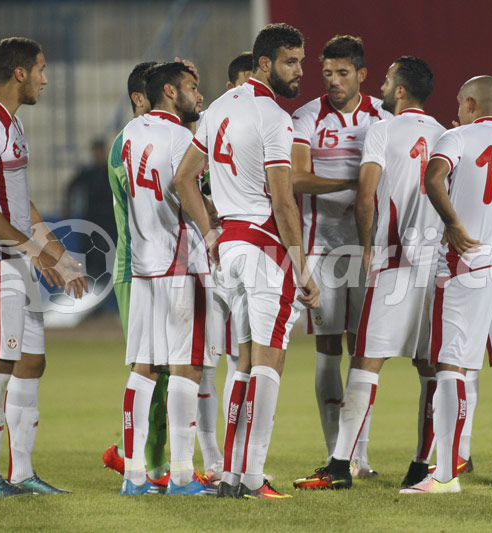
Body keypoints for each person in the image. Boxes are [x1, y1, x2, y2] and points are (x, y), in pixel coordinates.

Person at [173, 23, 319, 500]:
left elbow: (183, 180)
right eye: (289, 62)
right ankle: (253, 478)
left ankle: (233, 476)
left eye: (300, 61)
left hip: (230, 248)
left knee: (244, 363)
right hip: (262, 248)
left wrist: (211, 232)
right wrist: (302, 268)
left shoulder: (217, 108)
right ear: (264, 64)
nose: (299, 71)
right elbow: (283, 202)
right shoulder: (275, 117)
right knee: (269, 361)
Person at [293, 56, 443, 490]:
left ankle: (341, 464)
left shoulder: (382, 125)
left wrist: (367, 251)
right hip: (431, 266)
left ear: (398, 90)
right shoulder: (444, 134)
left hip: (388, 259)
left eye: (385, 79)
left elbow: (366, 197)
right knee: (430, 366)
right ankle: (423, 468)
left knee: (364, 360)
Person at [0, 37, 87, 498]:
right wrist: (36, 253)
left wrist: (55, 249)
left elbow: (18, 199)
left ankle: (22, 473)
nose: (45, 79)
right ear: (20, 73)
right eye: (40, 70)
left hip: (17, 260)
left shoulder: (12, 125)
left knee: (32, 362)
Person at [401, 76, 492, 493]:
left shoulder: (457, 135)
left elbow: (433, 177)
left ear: (471, 103)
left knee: (452, 368)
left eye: (460, 103)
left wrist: (453, 224)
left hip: (470, 263)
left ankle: (443, 475)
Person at [290, 34, 391, 478]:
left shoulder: (383, 119)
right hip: (322, 248)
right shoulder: (306, 116)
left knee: (364, 350)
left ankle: (359, 454)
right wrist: (354, 187)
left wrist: (370, 196)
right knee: (329, 348)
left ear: (362, 75)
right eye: (327, 73)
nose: (333, 81)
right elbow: (296, 178)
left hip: (367, 249)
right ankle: (336, 453)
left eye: (342, 73)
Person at [118, 61, 216, 496]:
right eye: (193, 87)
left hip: (142, 266)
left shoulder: (130, 134)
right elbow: (185, 185)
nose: (199, 95)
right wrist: (212, 230)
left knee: (143, 369)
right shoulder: (183, 137)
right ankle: (180, 475)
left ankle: (134, 475)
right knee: (186, 367)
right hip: (181, 263)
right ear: (172, 92)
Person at [102, 60, 175, 487]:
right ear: (140, 99)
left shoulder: (147, 141)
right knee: (150, 368)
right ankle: (142, 464)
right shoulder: (125, 145)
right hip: (136, 269)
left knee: (165, 370)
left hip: (158, 268)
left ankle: (150, 462)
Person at [198, 52, 255, 484]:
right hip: (204, 256)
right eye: (243, 81)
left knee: (241, 357)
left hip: (237, 250)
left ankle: (235, 460)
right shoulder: (210, 124)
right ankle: (212, 458)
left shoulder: (254, 127)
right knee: (205, 362)